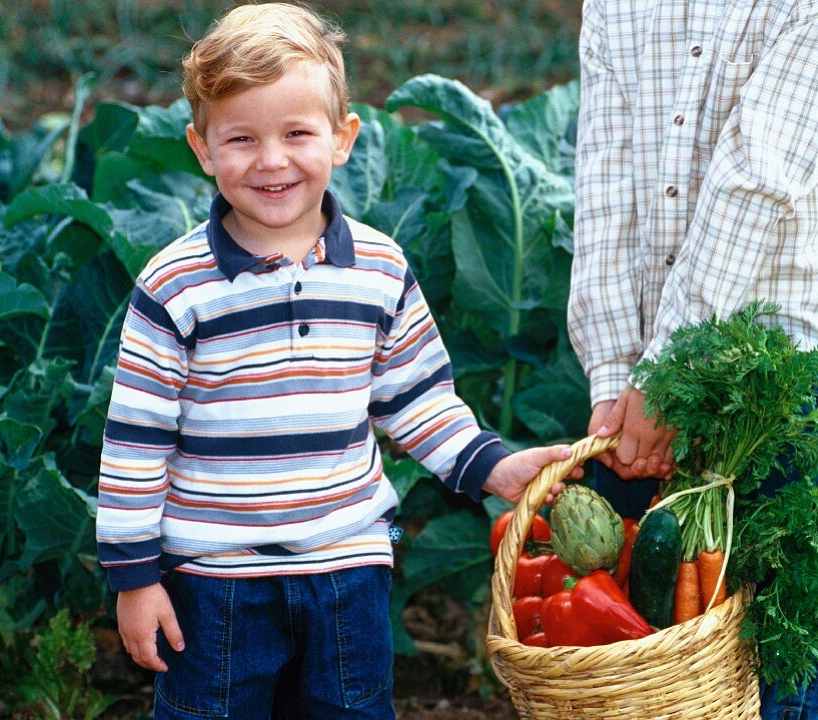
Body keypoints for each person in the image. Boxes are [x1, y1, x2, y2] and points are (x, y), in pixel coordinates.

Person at [96, 5, 576, 719]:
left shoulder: (380, 267)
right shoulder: (176, 285)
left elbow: (415, 397)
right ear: (201, 148)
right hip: (216, 580)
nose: (271, 160)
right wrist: (135, 580)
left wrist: (491, 465)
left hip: (348, 570)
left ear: (343, 138)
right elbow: (136, 444)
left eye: (297, 133)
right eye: (241, 138)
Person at [568, 0, 818, 716]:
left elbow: (757, 178)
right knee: (643, 674)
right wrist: (613, 374)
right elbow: (603, 186)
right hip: (639, 392)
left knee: (774, 666)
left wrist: (663, 377)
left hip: (784, 375)